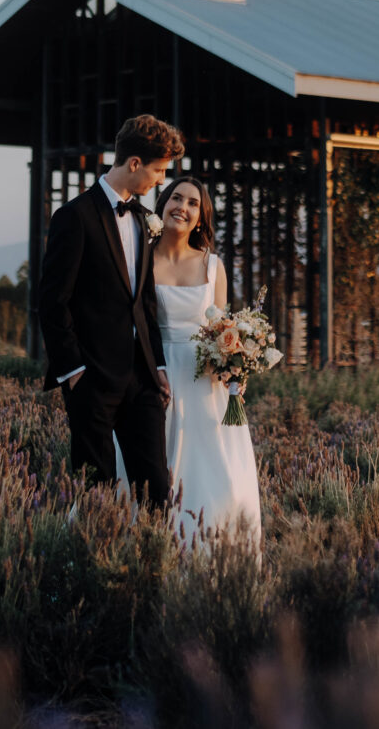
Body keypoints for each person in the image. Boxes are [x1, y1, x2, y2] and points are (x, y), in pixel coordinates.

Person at [34, 114, 180, 506]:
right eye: (159, 170)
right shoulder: (74, 217)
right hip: (92, 380)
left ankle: (151, 565)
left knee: (157, 495)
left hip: (143, 381)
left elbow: (144, 303)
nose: (162, 181)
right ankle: (98, 564)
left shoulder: (145, 219)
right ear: (134, 163)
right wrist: (74, 372)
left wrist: (158, 366)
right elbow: (52, 302)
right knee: (95, 496)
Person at [150, 174, 263, 547]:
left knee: (217, 474)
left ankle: (214, 553)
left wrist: (236, 367)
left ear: (201, 217)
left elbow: (220, 327)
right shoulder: (140, 258)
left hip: (204, 382)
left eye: (193, 203)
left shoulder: (212, 267)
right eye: (176, 198)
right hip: (154, 373)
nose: (183, 207)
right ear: (163, 203)